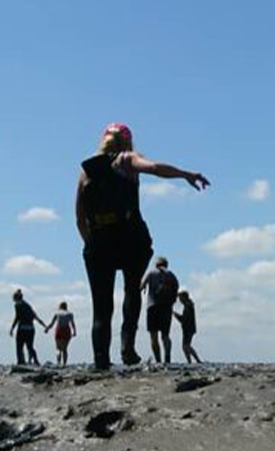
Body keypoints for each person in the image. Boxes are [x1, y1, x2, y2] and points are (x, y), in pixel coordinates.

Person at [75, 122, 210, 370]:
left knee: (101, 307)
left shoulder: (86, 170)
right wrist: (185, 174)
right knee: (131, 291)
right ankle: (127, 349)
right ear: (128, 142)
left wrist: (91, 244)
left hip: (98, 243)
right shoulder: (127, 159)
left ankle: (101, 359)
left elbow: (79, 218)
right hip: (130, 238)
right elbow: (155, 168)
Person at [142, 257, 179, 365]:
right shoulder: (171, 275)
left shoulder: (151, 273)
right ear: (166, 265)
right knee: (165, 335)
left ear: (156, 265)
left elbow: (141, 285)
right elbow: (176, 290)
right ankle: (167, 358)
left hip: (152, 306)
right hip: (166, 308)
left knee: (154, 336)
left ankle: (158, 360)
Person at [10, 289, 46, 365]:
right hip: (31, 329)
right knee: (29, 346)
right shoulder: (28, 305)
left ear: (16, 298)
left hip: (22, 328)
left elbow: (17, 317)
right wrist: (44, 326)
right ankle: (36, 360)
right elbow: (35, 316)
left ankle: (21, 361)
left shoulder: (17, 305)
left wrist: (12, 328)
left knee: (19, 346)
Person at [174, 290, 202, 364]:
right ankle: (192, 360)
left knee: (186, 346)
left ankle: (195, 360)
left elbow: (184, 319)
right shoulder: (189, 305)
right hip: (188, 329)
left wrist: (175, 315)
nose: (179, 301)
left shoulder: (188, 306)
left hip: (188, 329)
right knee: (186, 346)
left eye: (180, 298)